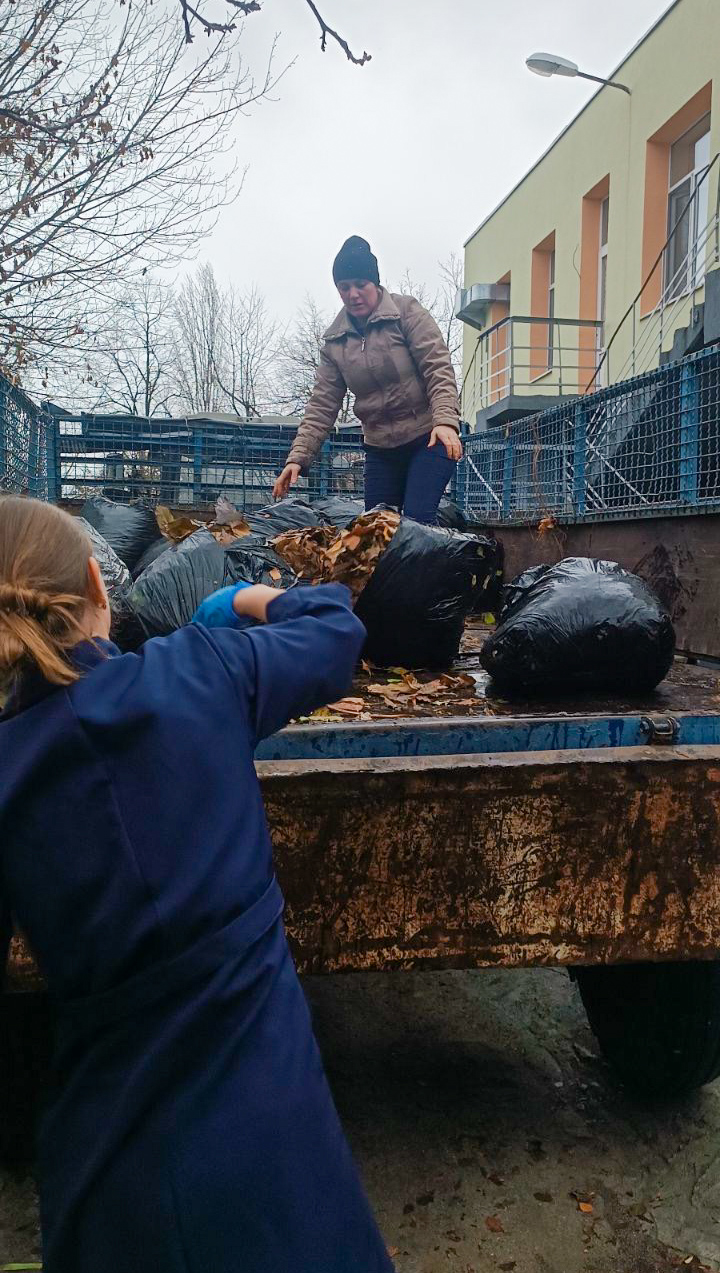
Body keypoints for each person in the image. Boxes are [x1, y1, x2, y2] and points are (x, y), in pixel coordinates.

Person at [0, 497, 395, 1273]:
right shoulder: (201, 668)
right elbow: (336, 628)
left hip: (108, 1170)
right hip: (271, 1141)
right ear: (97, 584)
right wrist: (242, 599)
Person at [274, 235, 463, 524]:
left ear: (375, 283)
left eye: (360, 284)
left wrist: (446, 422)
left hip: (428, 438)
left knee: (417, 523)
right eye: (344, 287)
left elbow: (437, 368)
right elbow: (321, 405)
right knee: (376, 528)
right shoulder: (335, 342)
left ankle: (442, 550)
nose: (353, 294)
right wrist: (297, 458)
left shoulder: (406, 314)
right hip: (381, 448)